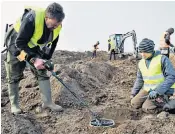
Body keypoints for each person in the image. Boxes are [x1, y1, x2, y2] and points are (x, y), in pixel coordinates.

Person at [4, 2, 65, 114]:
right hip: (17, 45)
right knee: (14, 73)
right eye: (52, 25)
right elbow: (20, 43)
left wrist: (45, 60)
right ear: (47, 18)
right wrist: (33, 59)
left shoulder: (57, 26)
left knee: (41, 69)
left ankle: (47, 102)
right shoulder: (32, 18)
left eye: (57, 25)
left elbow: (52, 45)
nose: (54, 28)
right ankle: (14, 105)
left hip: (32, 47)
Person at [131, 38, 175, 114]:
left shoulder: (162, 59)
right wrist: (134, 93)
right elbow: (139, 79)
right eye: (141, 52)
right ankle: (154, 101)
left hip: (163, 90)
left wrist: (157, 91)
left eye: (145, 52)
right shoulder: (141, 62)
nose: (142, 54)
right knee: (134, 103)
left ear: (151, 50)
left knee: (147, 108)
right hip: (148, 90)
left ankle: (168, 106)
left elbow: (171, 77)